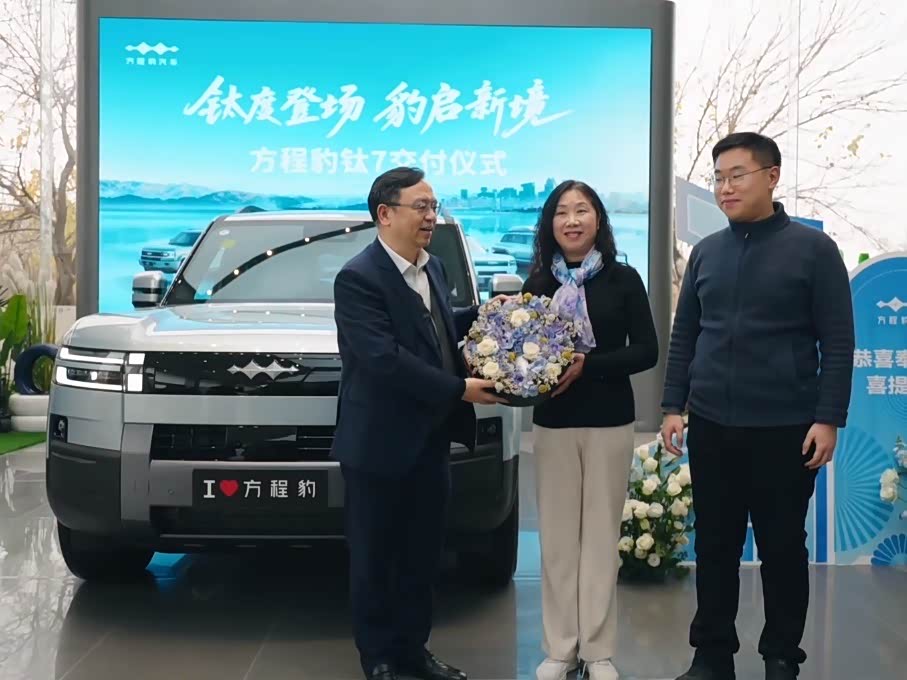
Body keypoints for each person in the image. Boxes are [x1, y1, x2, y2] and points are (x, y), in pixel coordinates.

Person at [661, 132, 855, 680]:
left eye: (737, 175)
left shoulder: (814, 250)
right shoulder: (707, 252)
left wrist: (828, 418)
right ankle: (712, 655)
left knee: (782, 546)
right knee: (714, 543)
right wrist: (673, 405)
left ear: (771, 177)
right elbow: (685, 335)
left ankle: (781, 657)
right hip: (712, 424)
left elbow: (838, 341)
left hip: (785, 426)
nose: (725, 187)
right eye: (719, 178)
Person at [332, 167, 503, 680]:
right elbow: (384, 359)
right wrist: (459, 389)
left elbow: (435, 332)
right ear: (385, 214)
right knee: (375, 557)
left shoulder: (434, 269)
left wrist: (486, 317)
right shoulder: (358, 278)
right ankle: (378, 658)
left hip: (429, 439)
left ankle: (414, 651)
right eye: (421, 207)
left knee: (422, 555)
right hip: (378, 443)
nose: (431, 217)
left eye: (434, 206)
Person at [523, 180, 659, 680]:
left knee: (601, 538)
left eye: (582, 210)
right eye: (562, 212)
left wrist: (589, 365)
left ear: (599, 220)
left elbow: (647, 350)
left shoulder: (624, 279)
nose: (572, 220)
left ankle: (598, 650)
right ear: (550, 224)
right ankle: (561, 647)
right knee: (558, 540)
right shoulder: (538, 283)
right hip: (554, 422)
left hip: (609, 421)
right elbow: (521, 352)